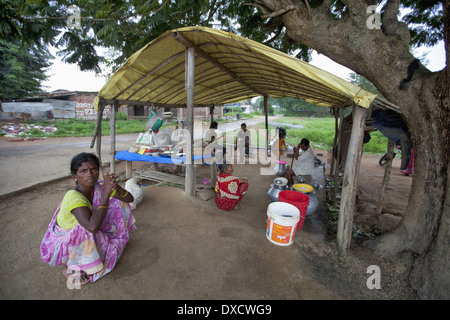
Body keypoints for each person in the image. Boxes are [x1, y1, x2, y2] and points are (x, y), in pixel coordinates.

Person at [40, 152, 135, 286]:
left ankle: (89, 256)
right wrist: (107, 193)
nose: (89, 174)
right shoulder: (73, 196)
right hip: (64, 240)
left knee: (118, 203)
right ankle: (71, 267)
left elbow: (129, 199)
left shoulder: (99, 187)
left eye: (93, 169)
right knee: (84, 229)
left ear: (98, 171)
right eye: (83, 171)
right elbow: (92, 226)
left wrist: (115, 186)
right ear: (75, 176)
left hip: (87, 230)